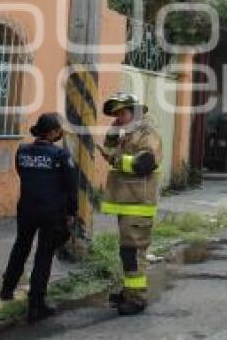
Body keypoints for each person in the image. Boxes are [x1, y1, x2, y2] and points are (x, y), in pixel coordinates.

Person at [0, 113, 76, 323]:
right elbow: (71, 188)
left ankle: (7, 289)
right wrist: (71, 213)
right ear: (52, 132)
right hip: (51, 212)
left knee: (21, 246)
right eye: (59, 130)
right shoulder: (60, 155)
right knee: (44, 255)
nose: (60, 133)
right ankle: (36, 304)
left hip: (26, 208)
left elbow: (22, 173)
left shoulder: (22, 151)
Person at [99, 92, 162, 316]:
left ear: (134, 111)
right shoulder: (126, 133)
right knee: (128, 252)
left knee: (134, 252)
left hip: (138, 202)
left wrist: (117, 159)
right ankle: (129, 291)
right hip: (126, 202)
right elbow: (107, 152)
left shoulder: (146, 132)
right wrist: (113, 133)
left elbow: (146, 162)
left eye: (122, 112)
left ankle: (137, 297)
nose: (118, 117)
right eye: (116, 113)